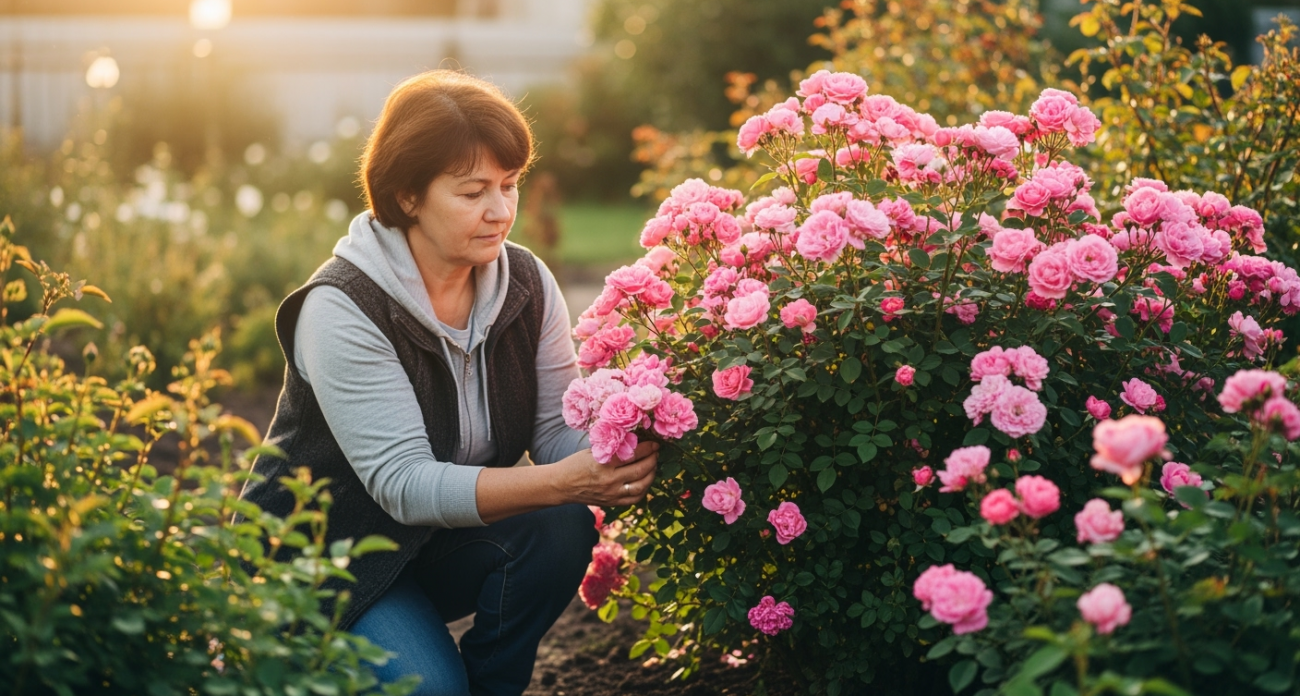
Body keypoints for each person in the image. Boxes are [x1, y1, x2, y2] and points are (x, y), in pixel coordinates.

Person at [236, 70, 659, 696]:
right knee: (429, 689)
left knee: (560, 528)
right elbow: (404, 484)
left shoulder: (525, 283)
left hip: (430, 544)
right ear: (408, 195)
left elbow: (554, 430)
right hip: (326, 561)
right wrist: (565, 481)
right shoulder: (343, 308)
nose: (501, 211)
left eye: (510, 185)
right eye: (472, 192)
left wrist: (637, 441)